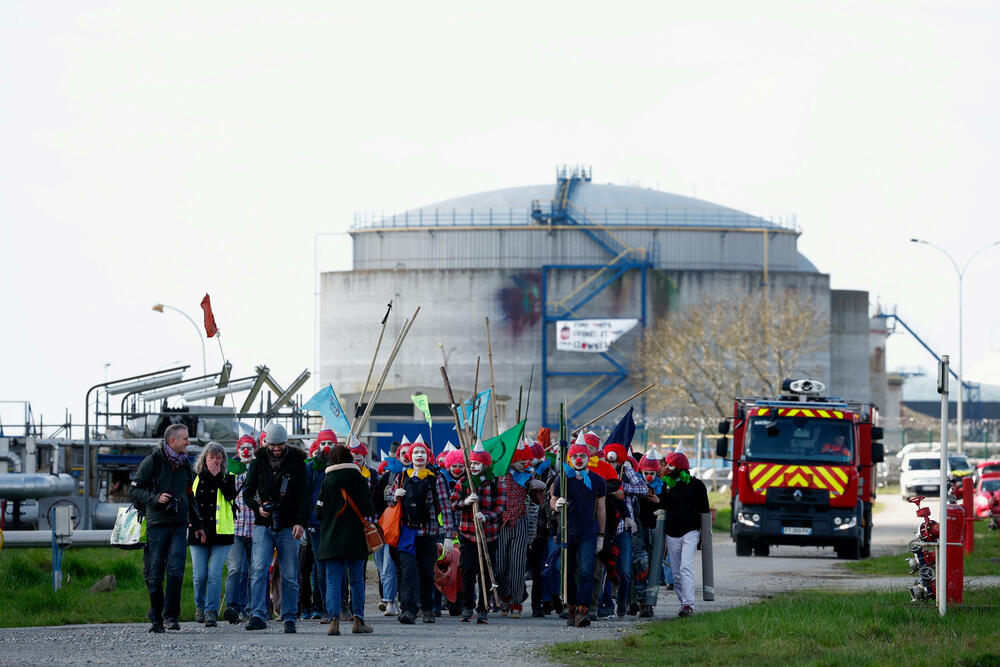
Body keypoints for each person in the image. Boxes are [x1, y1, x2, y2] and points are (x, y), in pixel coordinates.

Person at [129, 424, 204, 633]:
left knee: (176, 571)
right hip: (157, 525)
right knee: (154, 573)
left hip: (179, 524)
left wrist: (197, 525)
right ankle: (156, 617)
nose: (188, 442)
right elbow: (133, 491)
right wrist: (155, 498)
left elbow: (190, 496)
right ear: (173, 441)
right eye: (185, 439)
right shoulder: (153, 461)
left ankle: (171, 616)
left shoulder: (185, 465)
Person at [242, 422, 310, 633]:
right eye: (272, 444)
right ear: (266, 443)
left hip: (289, 525)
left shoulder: (298, 463)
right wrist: (258, 507)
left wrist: (300, 522)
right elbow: (247, 492)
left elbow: (304, 497)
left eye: (280, 444)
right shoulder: (258, 462)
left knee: (289, 573)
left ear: (286, 442)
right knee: (259, 569)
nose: (277, 448)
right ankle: (258, 615)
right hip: (263, 525)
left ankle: (289, 616)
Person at [386, 438, 456, 624]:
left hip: (429, 533)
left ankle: (427, 609)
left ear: (428, 456)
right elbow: (389, 502)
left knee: (426, 573)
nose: (418, 455)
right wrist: (395, 496)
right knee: (408, 572)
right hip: (407, 534)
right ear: (410, 456)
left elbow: (446, 507)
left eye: (422, 452)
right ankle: (408, 610)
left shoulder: (437, 478)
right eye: (415, 452)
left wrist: (449, 535)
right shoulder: (401, 477)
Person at [315, 444, 374, 636]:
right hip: (356, 538)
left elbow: (318, 512)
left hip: (332, 538)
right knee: (357, 580)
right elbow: (368, 509)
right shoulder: (360, 479)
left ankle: (334, 621)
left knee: (333, 581)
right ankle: (358, 620)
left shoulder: (327, 481)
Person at [551, 439, 606, 628]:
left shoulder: (598, 481)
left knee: (585, 571)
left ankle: (583, 610)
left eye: (582, 455)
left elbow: (601, 509)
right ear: (569, 458)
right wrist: (556, 506)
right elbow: (553, 499)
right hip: (566, 532)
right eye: (574, 456)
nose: (578, 459)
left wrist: (601, 535)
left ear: (588, 457)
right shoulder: (563, 478)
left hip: (588, 533)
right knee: (568, 572)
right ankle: (571, 608)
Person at [450, 441, 505, 624]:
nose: (473, 466)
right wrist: (465, 502)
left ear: (485, 465)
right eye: (471, 463)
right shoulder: (463, 482)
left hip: (489, 534)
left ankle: (483, 608)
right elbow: (453, 504)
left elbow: (500, 507)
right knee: (468, 570)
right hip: (467, 534)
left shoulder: (495, 482)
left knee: (487, 573)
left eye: (477, 463)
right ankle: (467, 607)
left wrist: (486, 516)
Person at [188, 441, 237, 627]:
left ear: (223, 459)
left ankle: (211, 611)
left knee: (215, 574)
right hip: (198, 531)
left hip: (221, 533)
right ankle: (199, 607)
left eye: (218, 458)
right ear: (204, 458)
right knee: (199, 575)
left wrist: (217, 477)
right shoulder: (194, 477)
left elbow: (231, 495)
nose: (215, 461)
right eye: (211, 457)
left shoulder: (228, 477)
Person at [496, 439, 544, 618]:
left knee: (517, 564)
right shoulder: (500, 475)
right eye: (521, 460)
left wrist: (540, 487)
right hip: (501, 523)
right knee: (499, 566)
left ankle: (516, 602)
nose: (525, 463)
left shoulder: (528, 477)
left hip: (520, 522)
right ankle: (505, 594)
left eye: (527, 460)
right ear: (512, 459)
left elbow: (539, 502)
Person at [658, 451, 709, 618]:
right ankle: (683, 603)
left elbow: (705, 512)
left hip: (691, 532)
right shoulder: (666, 485)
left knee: (686, 567)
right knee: (676, 573)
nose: (666, 468)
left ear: (680, 468)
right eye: (666, 464)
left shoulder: (697, 486)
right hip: (672, 533)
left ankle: (688, 604)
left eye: (670, 465)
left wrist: (704, 537)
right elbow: (663, 507)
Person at [601, 442, 646, 618]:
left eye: (614, 461)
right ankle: (605, 604)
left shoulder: (626, 472)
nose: (611, 464)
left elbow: (642, 488)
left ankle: (622, 602)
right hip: (604, 527)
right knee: (604, 569)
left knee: (625, 571)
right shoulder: (601, 470)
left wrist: (621, 488)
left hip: (623, 528)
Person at [302, 431, 336, 622]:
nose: (326, 446)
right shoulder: (311, 469)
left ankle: (331, 605)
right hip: (315, 523)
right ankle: (322, 606)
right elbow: (305, 495)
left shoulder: (339, 467)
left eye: (330, 443)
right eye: (323, 442)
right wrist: (306, 521)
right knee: (319, 566)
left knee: (333, 566)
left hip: (335, 523)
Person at [224, 435, 257, 623]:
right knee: (235, 569)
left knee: (255, 571)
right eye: (242, 448)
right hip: (235, 528)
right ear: (238, 450)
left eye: (249, 448)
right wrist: (246, 475)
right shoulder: (231, 469)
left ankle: (253, 608)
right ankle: (233, 608)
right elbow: (229, 490)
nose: (246, 451)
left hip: (255, 528)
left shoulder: (260, 468)